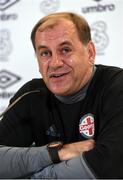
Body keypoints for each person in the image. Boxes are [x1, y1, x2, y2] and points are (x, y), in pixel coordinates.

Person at [0, 11, 123, 179]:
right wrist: (55, 153)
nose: (55, 63)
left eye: (65, 50)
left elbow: (110, 165)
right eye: (45, 53)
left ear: (90, 52)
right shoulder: (31, 94)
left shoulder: (116, 86)